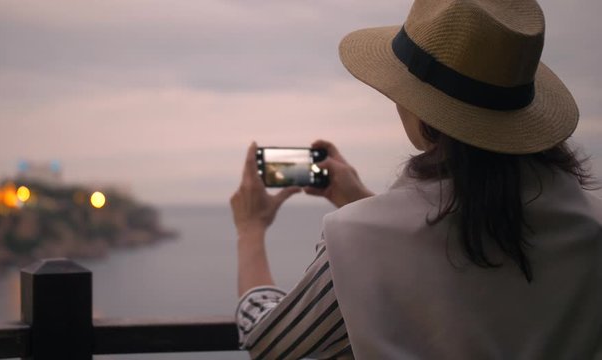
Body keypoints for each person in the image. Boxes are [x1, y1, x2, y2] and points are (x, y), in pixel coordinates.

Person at [230, 0, 602, 359]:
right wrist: (359, 198)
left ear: (421, 107)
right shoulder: (591, 226)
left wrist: (251, 229)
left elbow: (271, 345)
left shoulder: (356, 240)